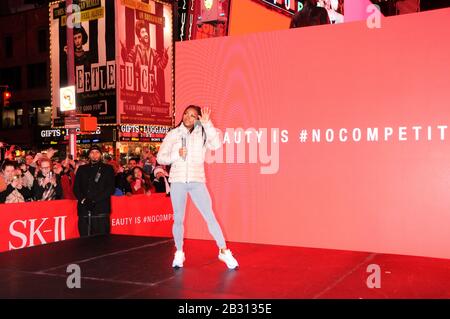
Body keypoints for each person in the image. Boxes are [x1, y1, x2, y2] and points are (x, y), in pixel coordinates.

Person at [157, 105, 239, 269]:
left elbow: (216, 144)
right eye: (186, 113)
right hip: (178, 181)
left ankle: (223, 251)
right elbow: (161, 158)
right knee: (178, 219)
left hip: (197, 181)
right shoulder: (173, 134)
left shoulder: (202, 133)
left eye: (193, 115)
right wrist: (176, 155)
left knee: (210, 216)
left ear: (198, 119)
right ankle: (179, 252)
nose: (188, 117)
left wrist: (207, 124)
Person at [73, 145, 115, 237]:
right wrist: (83, 200)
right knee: (84, 241)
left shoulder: (108, 169)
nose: (94, 155)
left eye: (97, 152)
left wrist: (94, 200)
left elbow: (110, 189)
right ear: (89, 155)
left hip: (101, 210)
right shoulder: (82, 169)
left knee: (102, 241)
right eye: (92, 152)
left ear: (100, 154)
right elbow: (76, 188)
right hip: (84, 210)